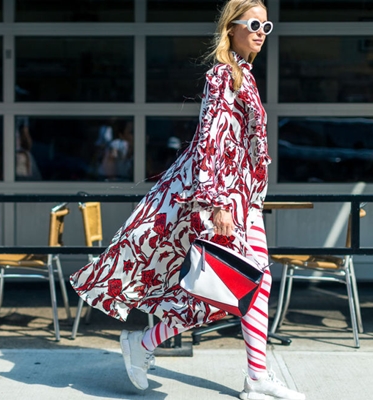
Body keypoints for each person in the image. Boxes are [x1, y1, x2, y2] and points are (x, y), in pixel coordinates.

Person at [70, 1, 305, 399]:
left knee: (251, 283)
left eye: (267, 24)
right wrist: (215, 204)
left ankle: (251, 376)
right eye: (254, 24)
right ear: (231, 28)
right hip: (224, 200)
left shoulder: (244, 75)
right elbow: (211, 142)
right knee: (218, 287)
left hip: (244, 198)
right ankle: (147, 344)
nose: (262, 31)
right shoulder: (221, 76)